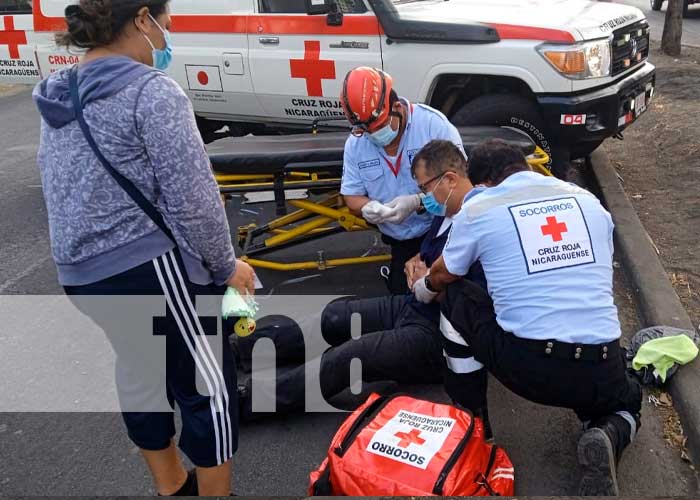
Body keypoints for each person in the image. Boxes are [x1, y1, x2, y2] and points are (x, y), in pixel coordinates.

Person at [33, 0, 256, 495]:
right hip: (145, 265)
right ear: (141, 19)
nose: (167, 38)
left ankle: (172, 487)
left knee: (140, 368)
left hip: (80, 273)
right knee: (207, 387)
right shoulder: (151, 92)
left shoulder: (56, 91)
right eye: (166, 25)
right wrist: (226, 268)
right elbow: (195, 202)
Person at [412, 139, 642, 496]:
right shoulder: (588, 202)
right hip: (601, 360)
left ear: (483, 183)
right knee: (628, 401)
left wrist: (420, 288)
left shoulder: (482, 206)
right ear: (523, 167)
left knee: (457, 296)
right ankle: (609, 431)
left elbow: (443, 275)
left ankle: (475, 424)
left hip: (527, 366)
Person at [236, 141, 486, 424]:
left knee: (352, 356)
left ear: (450, 179)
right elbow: (432, 255)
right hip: (414, 306)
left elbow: (471, 297)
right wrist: (416, 261)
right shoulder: (447, 212)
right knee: (336, 316)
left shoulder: (482, 222)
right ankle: (239, 350)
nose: (423, 197)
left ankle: (246, 401)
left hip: (440, 335)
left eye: (425, 188)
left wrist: (429, 282)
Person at [339, 67, 465, 294]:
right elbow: (352, 195)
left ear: (397, 107)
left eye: (377, 128)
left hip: (441, 230)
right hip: (400, 240)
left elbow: (461, 186)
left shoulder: (432, 126)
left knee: (451, 294)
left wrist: (417, 202)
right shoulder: (356, 143)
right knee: (404, 297)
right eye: (364, 131)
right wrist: (367, 207)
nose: (373, 136)